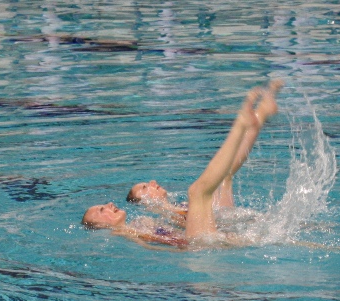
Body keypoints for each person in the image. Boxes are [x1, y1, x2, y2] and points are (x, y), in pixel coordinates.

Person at [82, 79, 283, 247]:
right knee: (199, 191)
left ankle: (258, 116)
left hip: (203, 238)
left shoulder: (140, 222)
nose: (109, 204)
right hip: (197, 246)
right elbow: (162, 249)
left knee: (216, 182)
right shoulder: (126, 231)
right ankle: (243, 123)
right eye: (101, 210)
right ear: (99, 225)